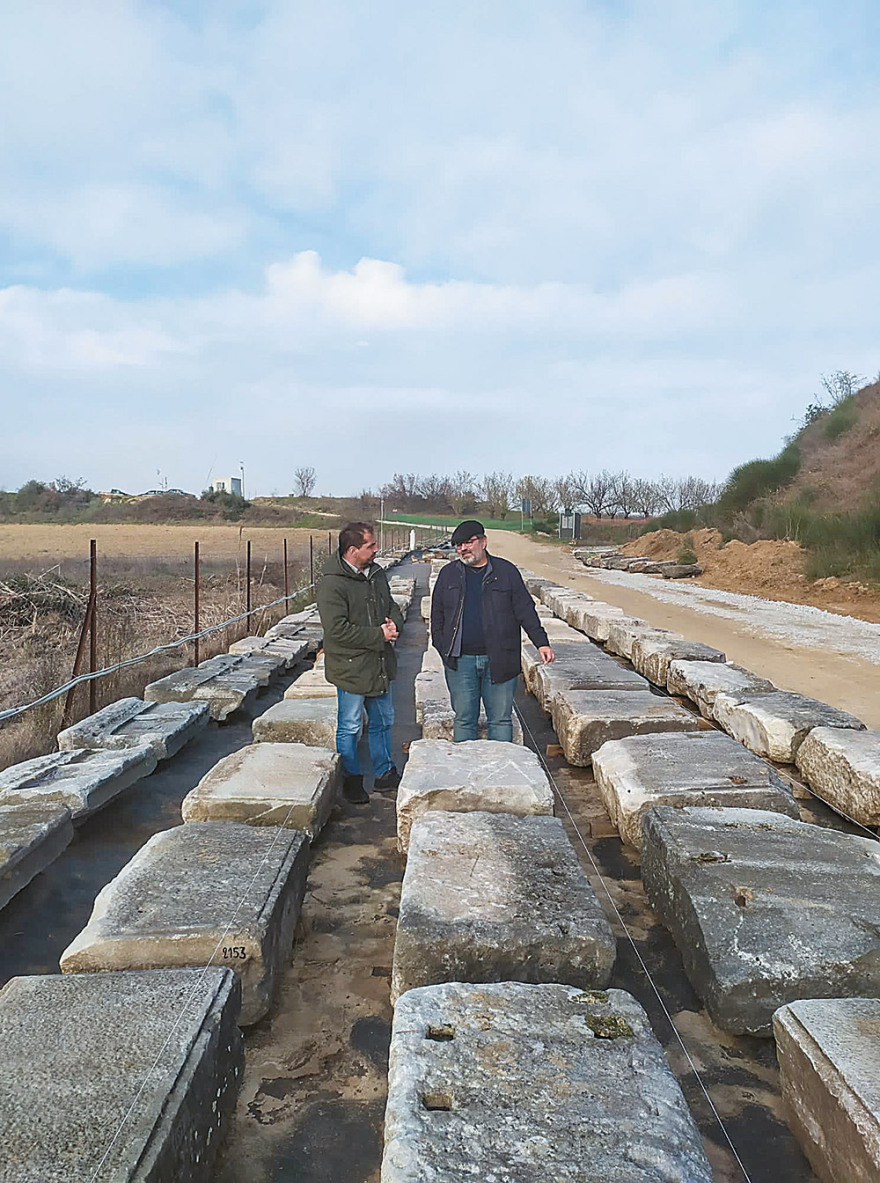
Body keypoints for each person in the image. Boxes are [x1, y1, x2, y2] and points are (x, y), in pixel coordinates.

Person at [431, 519, 554, 742]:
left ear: (484, 542)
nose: (463, 549)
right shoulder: (448, 575)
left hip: (500, 658)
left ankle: (502, 773)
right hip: (460, 661)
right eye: (458, 545)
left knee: (500, 720)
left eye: (468, 542)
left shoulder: (506, 572)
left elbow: (525, 609)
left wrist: (541, 642)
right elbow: (437, 614)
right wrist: (441, 645)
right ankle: (467, 773)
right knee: (464, 719)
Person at [317, 521, 405, 804]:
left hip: (379, 663)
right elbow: (337, 630)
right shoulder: (332, 584)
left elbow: (390, 604)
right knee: (351, 726)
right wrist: (378, 634)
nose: (377, 550)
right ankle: (352, 779)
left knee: (383, 720)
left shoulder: (376, 574)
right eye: (371, 546)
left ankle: (385, 774)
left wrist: (395, 623)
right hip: (351, 666)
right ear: (353, 550)